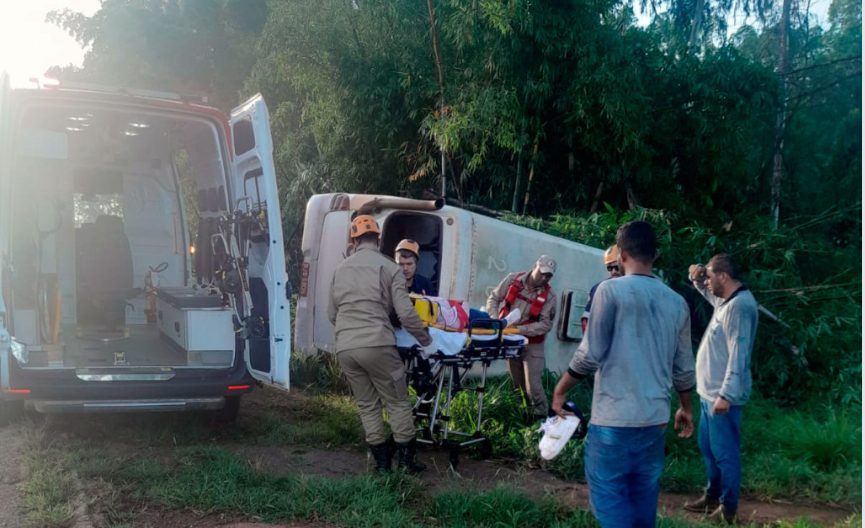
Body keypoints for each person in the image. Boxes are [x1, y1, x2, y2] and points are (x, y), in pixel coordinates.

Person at [551, 221, 696, 528]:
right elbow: (683, 368)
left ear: (621, 254)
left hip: (614, 422)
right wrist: (685, 408)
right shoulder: (677, 302)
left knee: (610, 499)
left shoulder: (610, 291)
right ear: (654, 254)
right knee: (644, 500)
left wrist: (560, 390)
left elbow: (591, 354)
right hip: (654, 421)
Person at [328, 215, 432, 473]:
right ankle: (406, 463)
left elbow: (332, 314)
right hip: (378, 344)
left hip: (346, 347)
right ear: (378, 238)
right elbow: (406, 314)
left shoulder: (340, 269)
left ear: (354, 240)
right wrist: (426, 341)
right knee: (397, 401)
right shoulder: (389, 267)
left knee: (367, 405)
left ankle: (382, 464)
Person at [683, 254, 759, 524]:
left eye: (711, 275)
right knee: (709, 448)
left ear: (723, 277)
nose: (708, 280)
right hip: (709, 394)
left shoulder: (741, 308)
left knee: (725, 453)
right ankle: (712, 495)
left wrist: (726, 395)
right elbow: (707, 292)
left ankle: (728, 508)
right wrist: (696, 278)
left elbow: (739, 354)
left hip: (722, 397)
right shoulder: (726, 301)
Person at [485, 255, 557, 420]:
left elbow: (546, 325)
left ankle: (541, 420)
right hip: (511, 340)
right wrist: (496, 320)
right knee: (517, 383)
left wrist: (519, 330)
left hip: (532, 344)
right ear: (535, 267)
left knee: (534, 387)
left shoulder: (550, 297)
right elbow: (494, 298)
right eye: (542, 273)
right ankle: (522, 417)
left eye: (549, 276)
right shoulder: (513, 279)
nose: (544, 278)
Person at [581, 245, 623, 333]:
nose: (613, 272)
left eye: (617, 267)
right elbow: (586, 321)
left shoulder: (633, 288)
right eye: (609, 268)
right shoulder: (598, 288)